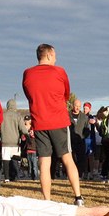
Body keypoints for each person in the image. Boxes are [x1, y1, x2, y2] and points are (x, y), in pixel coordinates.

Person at [22, 44, 84, 205]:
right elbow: (66, 94)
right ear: (49, 55)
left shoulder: (27, 73)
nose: (56, 58)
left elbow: (29, 95)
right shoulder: (59, 71)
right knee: (67, 158)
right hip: (59, 121)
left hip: (39, 122)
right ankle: (78, 196)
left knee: (44, 162)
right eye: (54, 55)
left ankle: (47, 200)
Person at [0, 98, 28, 182]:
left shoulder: (3, 116)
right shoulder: (18, 116)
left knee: (6, 160)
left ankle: (6, 177)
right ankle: (15, 176)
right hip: (15, 142)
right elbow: (23, 129)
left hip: (5, 141)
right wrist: (26, 136)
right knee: (15, 160)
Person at [69, 98, 89, 179]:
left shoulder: (84, 117)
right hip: (70, 141)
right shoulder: (67, 116)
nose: (77, 108)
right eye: (76, 106)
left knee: (81, 159)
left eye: (79, 106)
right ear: (73, 106)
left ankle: (80, 175)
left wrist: (83, 136)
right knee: (71, 159)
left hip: (81, 141)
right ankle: (70, 175)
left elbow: (87, 129)